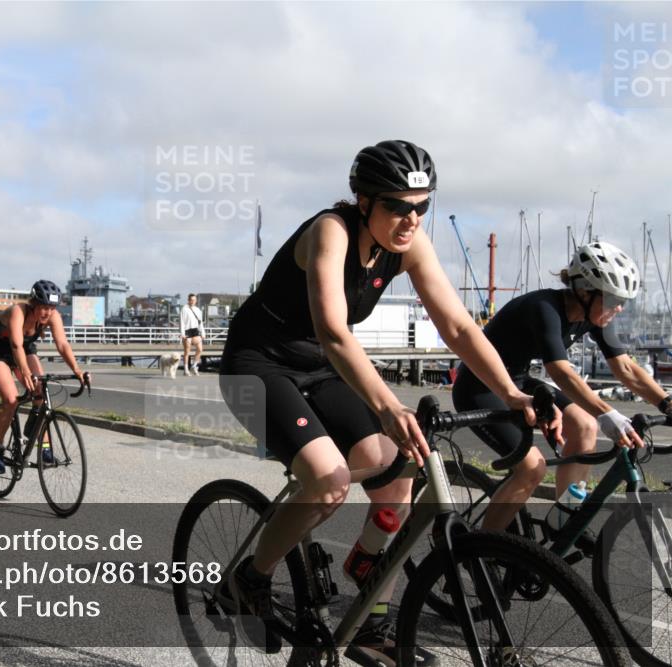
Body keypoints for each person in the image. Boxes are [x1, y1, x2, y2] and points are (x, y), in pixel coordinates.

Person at [219, 140, 561, 665]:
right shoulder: (329, 232)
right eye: (397, 206)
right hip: (259, 363)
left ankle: (370, 616)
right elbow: (335, 332)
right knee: (328, 480)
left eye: (421, 207)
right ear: (364, 202)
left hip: (320, 365)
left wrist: (512, 392)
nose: (410, 218)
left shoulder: (408, 244)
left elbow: (458, 326)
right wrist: (386, 405)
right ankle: (250, 578)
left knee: (397, 473)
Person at [453, 241, 672, 531]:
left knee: (584, 426)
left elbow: (626, 369)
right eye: (612, 299)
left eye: (623, 301)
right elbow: (560, 372)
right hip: (478, 388)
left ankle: (563, 520)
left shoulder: (595, 314)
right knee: (532, 469)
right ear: (583, 291)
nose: (618, 308)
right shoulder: (544, 308)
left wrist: (666, 403)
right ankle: (483, 549)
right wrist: (608, 413)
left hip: (517, 381)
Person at [0, 280, 87, 471]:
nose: (47, 312)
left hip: (25, 349)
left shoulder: (53, 316)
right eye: (44, 307)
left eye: (51, 308)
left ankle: (42, 443)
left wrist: (77, 370)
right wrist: (26, 372)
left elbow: (62, 345)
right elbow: (15, 345)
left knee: (41, 392)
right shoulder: (18, 311)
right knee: (11, 400)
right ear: (34, 304)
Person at [180, 293, 205, 375]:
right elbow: (182, 322)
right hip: (187, 331)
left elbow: (200, 323)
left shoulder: (198, 310)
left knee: (200, 349)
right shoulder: (184, 309)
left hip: (195, 331)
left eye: (194, 300)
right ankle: (186, 369)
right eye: (191, 300)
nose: (192, 301)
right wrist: (182, 333)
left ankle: (194, 366)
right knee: (187, 351)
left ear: (196, 300)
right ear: (188, 300)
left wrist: (203, 332)